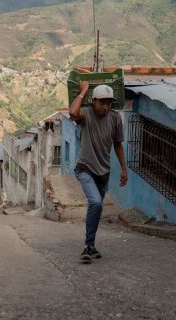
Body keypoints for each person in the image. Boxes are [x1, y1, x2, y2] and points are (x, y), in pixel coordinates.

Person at [69, 82, 127, 262]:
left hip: (104, 173)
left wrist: (124, 168)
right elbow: (72, 113)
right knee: (96, 203)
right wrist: (83, 92)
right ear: (93, 101)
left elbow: (117, 143)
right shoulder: (86, 115)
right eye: (102, 102)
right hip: (85, 168)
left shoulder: (115, 118)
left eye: (109, 103)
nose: (106, 106)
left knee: (96, 208)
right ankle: (88, 247)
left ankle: (90, 246)